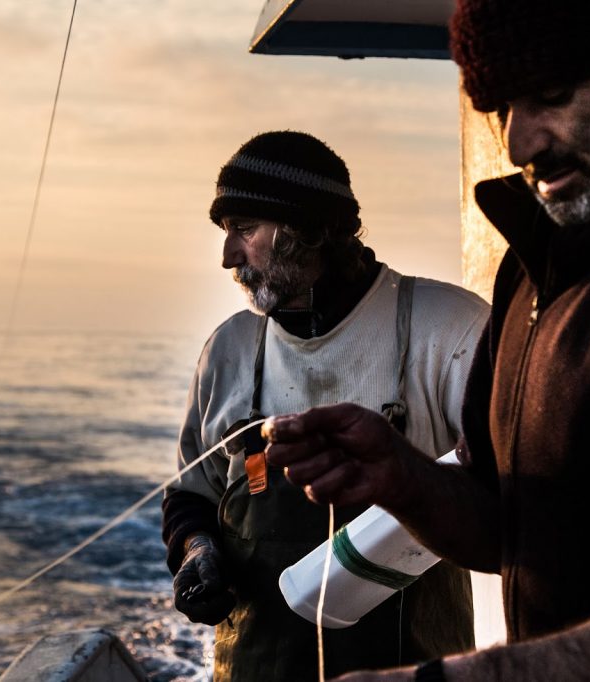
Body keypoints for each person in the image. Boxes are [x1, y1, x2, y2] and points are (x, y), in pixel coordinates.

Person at [264, 0, 590, 679]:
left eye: (553, 96)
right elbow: (509, 529)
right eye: (498, 108)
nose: (520, 144)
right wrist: (402, 477)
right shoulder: (535, 266)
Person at [161, 131, 489, 681]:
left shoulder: (449, 328)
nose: (227, 256)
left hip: (411, 668)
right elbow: (192, 495)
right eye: (224, 232)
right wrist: (197, 553)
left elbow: (507, 486)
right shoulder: (229, 349)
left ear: (310, 229)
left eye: (245, 229)